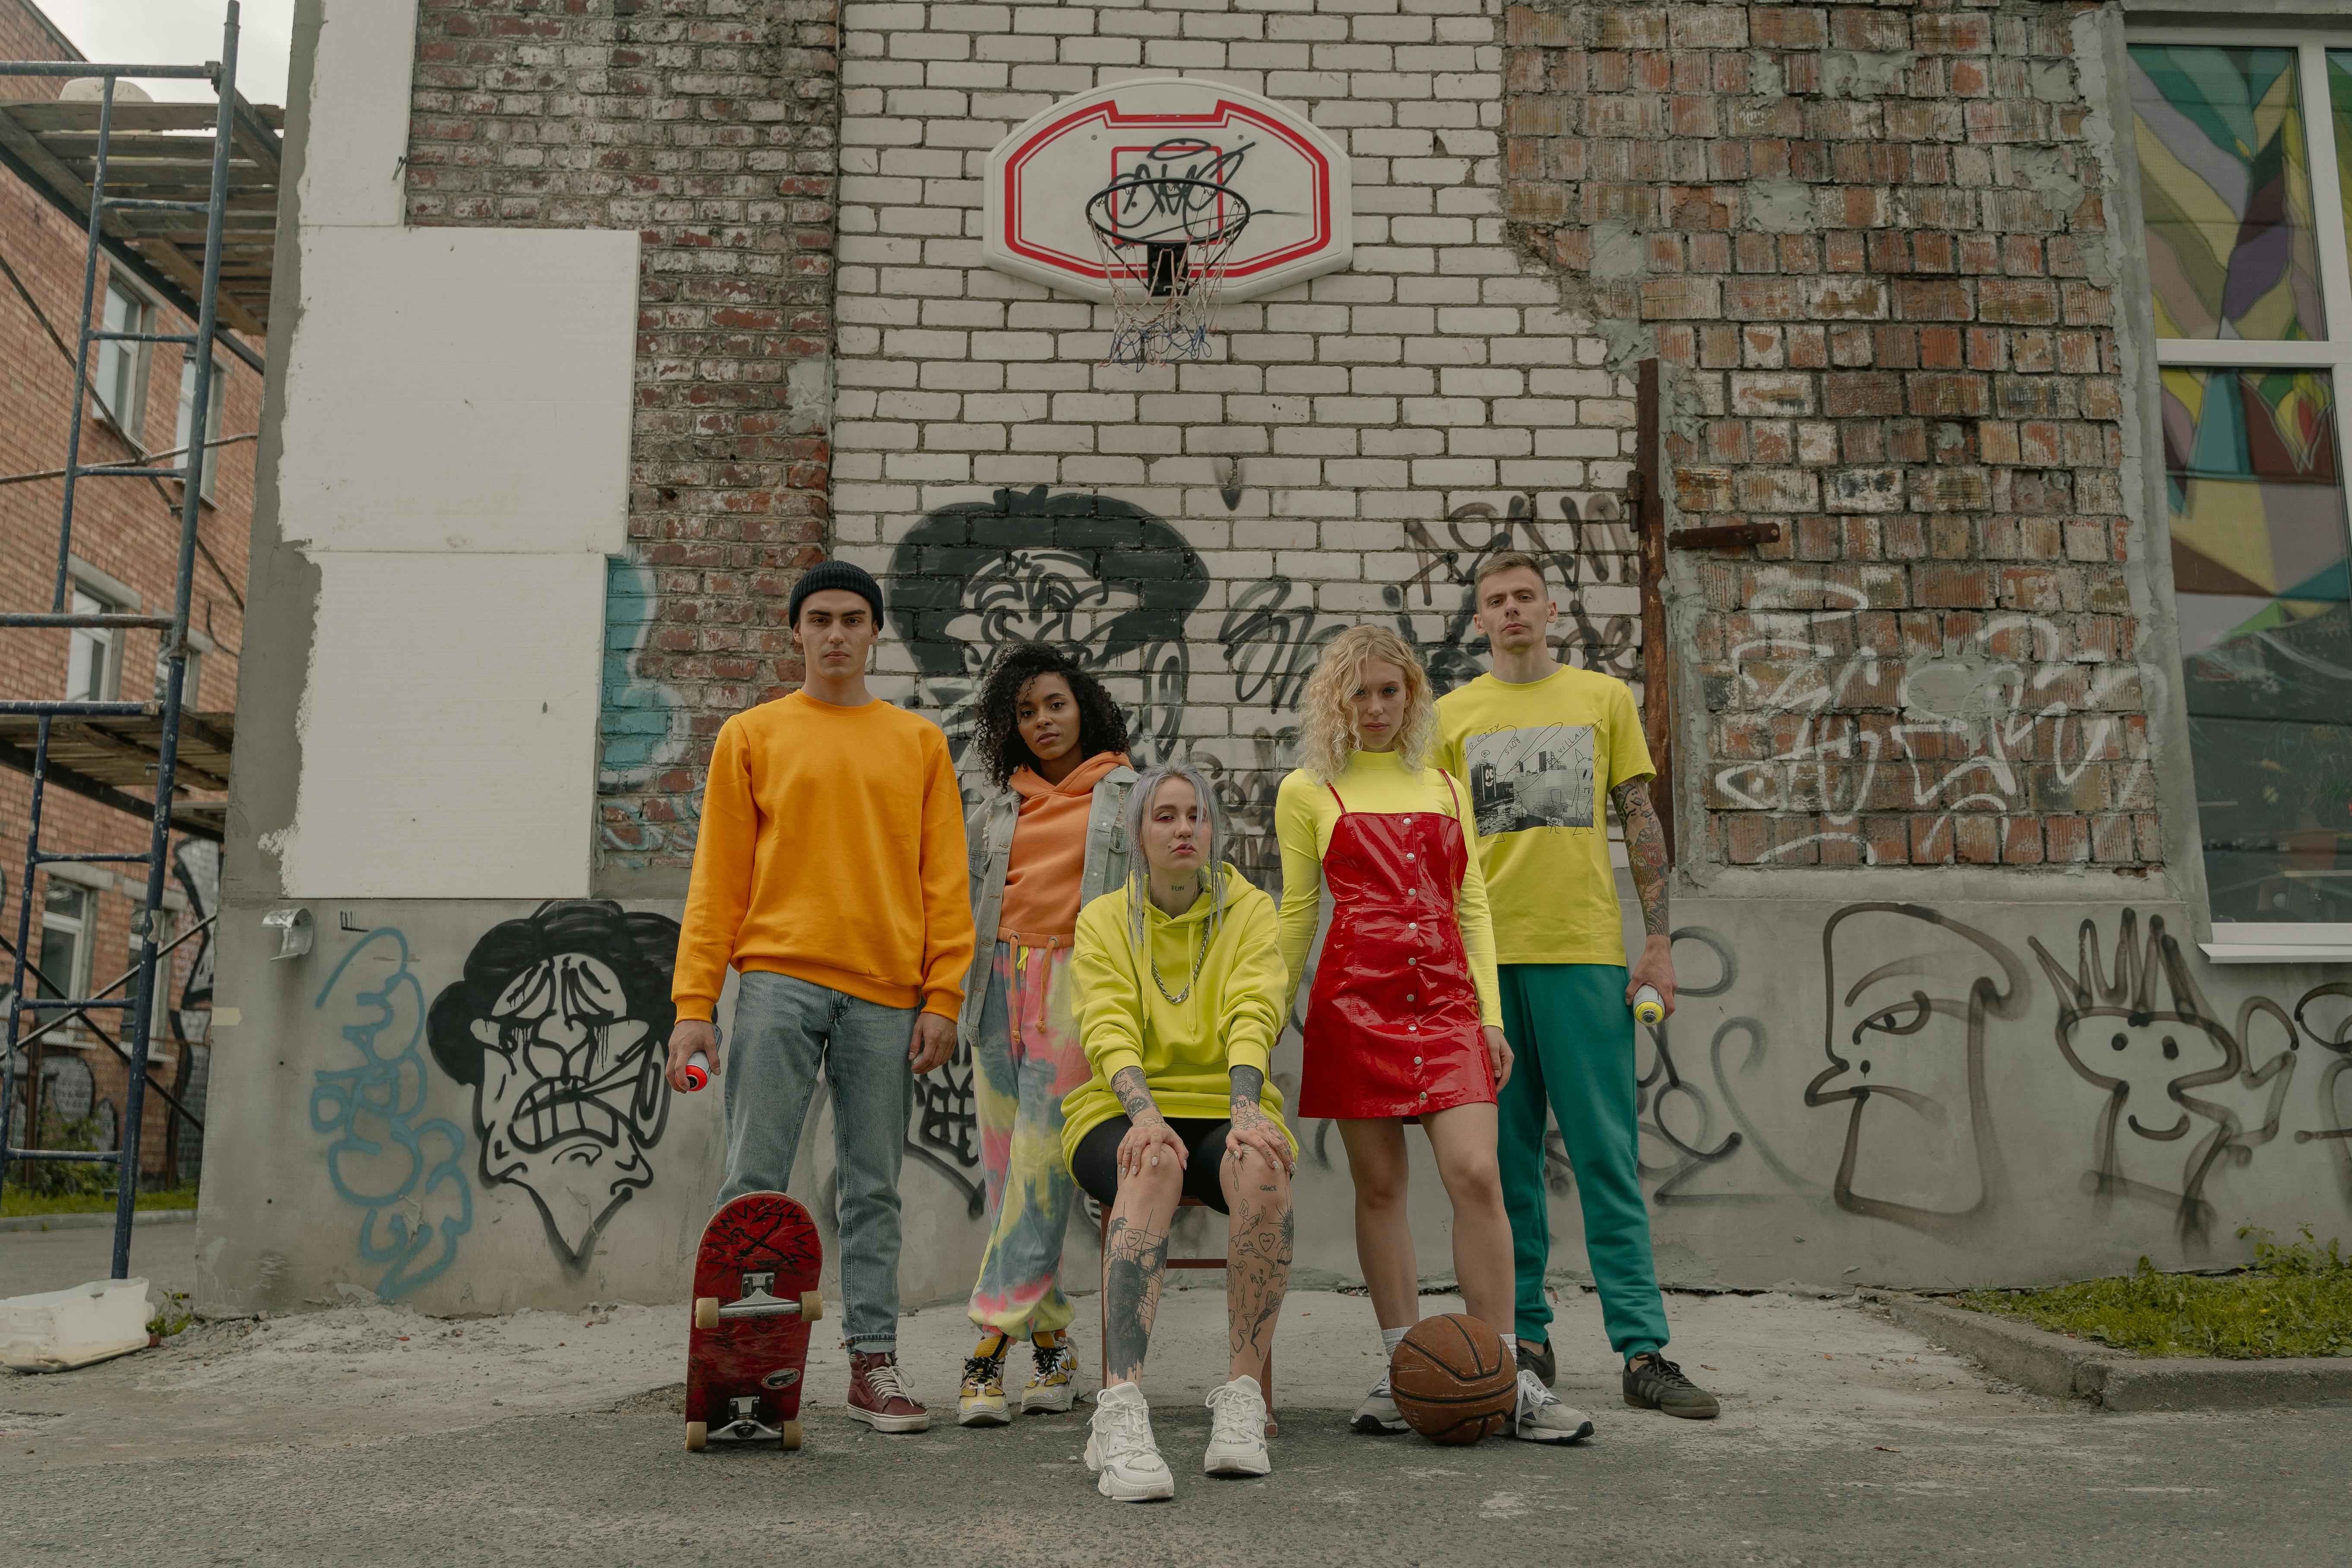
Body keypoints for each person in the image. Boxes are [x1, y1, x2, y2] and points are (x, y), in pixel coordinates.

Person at [664, 559, 976, 1435]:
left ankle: (872, 1365)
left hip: (885, 994)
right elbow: (715, 880)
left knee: (872, 1187)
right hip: (776, 984)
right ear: (795, 632)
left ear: (875, 632)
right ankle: (742, 1374)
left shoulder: (917, 744)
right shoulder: (752, 735)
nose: (836, 634)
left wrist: (944, 994)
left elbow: (945, 881)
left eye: (852, 619)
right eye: (820, 619)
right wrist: (695, 1005)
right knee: (755, 1184)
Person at [1275, 625, 1593, 1445]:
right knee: (1379, 1189)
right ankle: (1400, 1368)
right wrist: (1264, 1013)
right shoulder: (1306, 790)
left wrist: (1488, 1016)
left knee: (1477, 1173)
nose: (1376, 707)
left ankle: (1508, 1373)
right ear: (1336, 700)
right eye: (1360, 692)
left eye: (1390, 691)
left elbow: (1473, 905)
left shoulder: (1449, 788)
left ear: (1411, 696)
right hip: (1354, 1005)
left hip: (1448, 1001)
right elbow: (1299, 914)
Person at [1434, 551, 1720, 1420]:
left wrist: (1659, 942)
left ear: (1551, 608)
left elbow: (1640, 818)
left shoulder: (1601, 700)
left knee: (1605, 1156)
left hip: (1584, 954)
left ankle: (1644, 1349)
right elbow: (1436, 852)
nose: (1513, 609)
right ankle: (1524, 1337)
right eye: (1496, 601)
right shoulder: (1449, 716)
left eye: (1526, 596)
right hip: (1484, 967)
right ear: (1477, 621)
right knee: (1504, 1165)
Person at [1063, 761, 1296, 1502]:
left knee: (1262, 1167)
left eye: (1196, 815)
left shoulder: (1251, 910)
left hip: (1226, 1104)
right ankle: (1121, 1411)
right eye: (1165, 815)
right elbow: (1105, 1025)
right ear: (1139, 833)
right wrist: (1144, 1115)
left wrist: (1247, 1109)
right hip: (1118, 1112)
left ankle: (1240, 1399)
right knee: (1155, 1162)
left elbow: (1254, 1010)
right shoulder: (1104, 918)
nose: (1184, 828)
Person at [953, 643, 1139, 1426]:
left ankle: (989, 1343)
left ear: (1084, 708)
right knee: (1009, 1179)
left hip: (1078, 984)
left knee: (1039, 1161)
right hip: (997, 984)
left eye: (1055, 705)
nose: (1043, 723)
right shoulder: (999, 806)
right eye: (1027, 712)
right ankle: (1055, 1345)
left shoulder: (1131, 796)